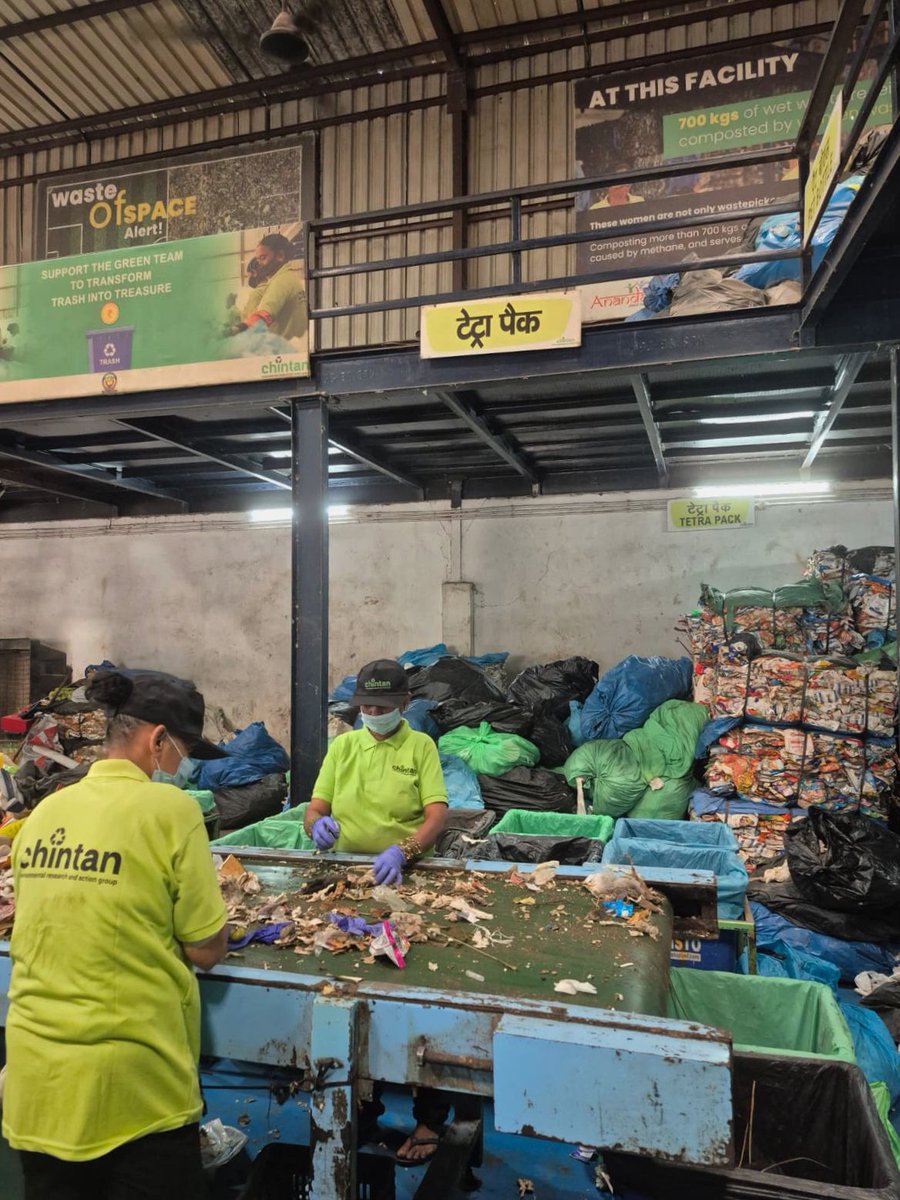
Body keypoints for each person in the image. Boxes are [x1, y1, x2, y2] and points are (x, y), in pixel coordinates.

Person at [3, 668, 230, 1200]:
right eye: (183, 750)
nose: (183, 764)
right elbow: (207, 949)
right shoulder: (172, 810)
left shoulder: (46, 812)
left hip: (36, 1084)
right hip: (131, 1091)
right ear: (156, 740)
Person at [304, 658, 449, 1165]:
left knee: (416, 992)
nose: (372, 713)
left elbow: (437, 813)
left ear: (403, 706)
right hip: (351, 880)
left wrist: (404, 851)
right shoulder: (344, 746)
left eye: (382, 707)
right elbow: (315, 807)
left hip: (406, 880)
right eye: (366, 705)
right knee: (350, 984)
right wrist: (315, 826)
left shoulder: (420, 747)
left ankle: (430, 1117)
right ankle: (363, 1104)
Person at [234, 232, 307, 341]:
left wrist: (235, 330)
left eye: (263, 258)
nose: (259, 264)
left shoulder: (281, 281)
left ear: (280, 256)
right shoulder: (287, 277)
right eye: (258, 260)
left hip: (283, 348)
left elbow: (264, 315)